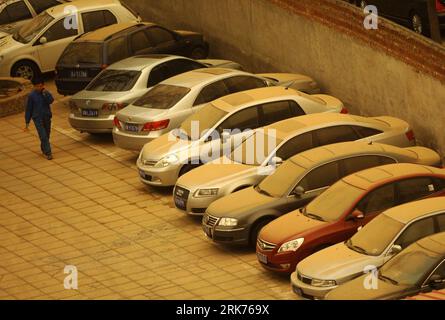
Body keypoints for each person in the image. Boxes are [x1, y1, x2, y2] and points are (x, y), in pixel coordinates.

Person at [24, 78, 54, 160]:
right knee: (43, 135)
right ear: (34, 87)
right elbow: (29, 109)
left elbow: (51, 101)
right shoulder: (31, 96)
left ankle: (44, 148)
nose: (39, 88)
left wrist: (46, 94)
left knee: (47, 134)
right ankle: (48, 153)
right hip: (37, 118)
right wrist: (27, 121)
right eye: (37, 86)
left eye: (41, 86)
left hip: (47, 116)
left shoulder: (46, 93)